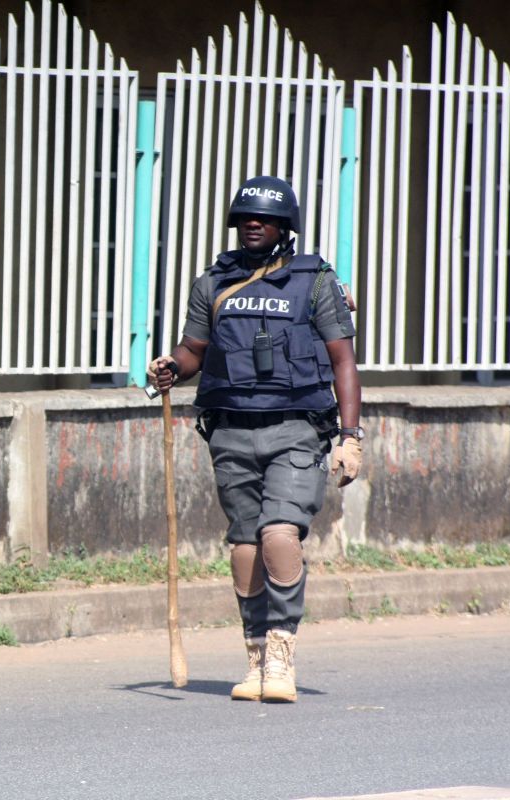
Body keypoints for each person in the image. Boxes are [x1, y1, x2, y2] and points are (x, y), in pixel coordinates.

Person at [148, 176, 362, 703]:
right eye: (245, 217)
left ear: (284, 226)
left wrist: (350, 436)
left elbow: (343, 361)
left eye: (265, 218)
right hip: (230, 430)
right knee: (245, 545)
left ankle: (282, 654)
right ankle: (256, 655)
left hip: (297, 428)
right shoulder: (212, 283)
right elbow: (194, 350)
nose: (253, 224)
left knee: (278, 536)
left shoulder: (315, 282)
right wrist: (172, 366)